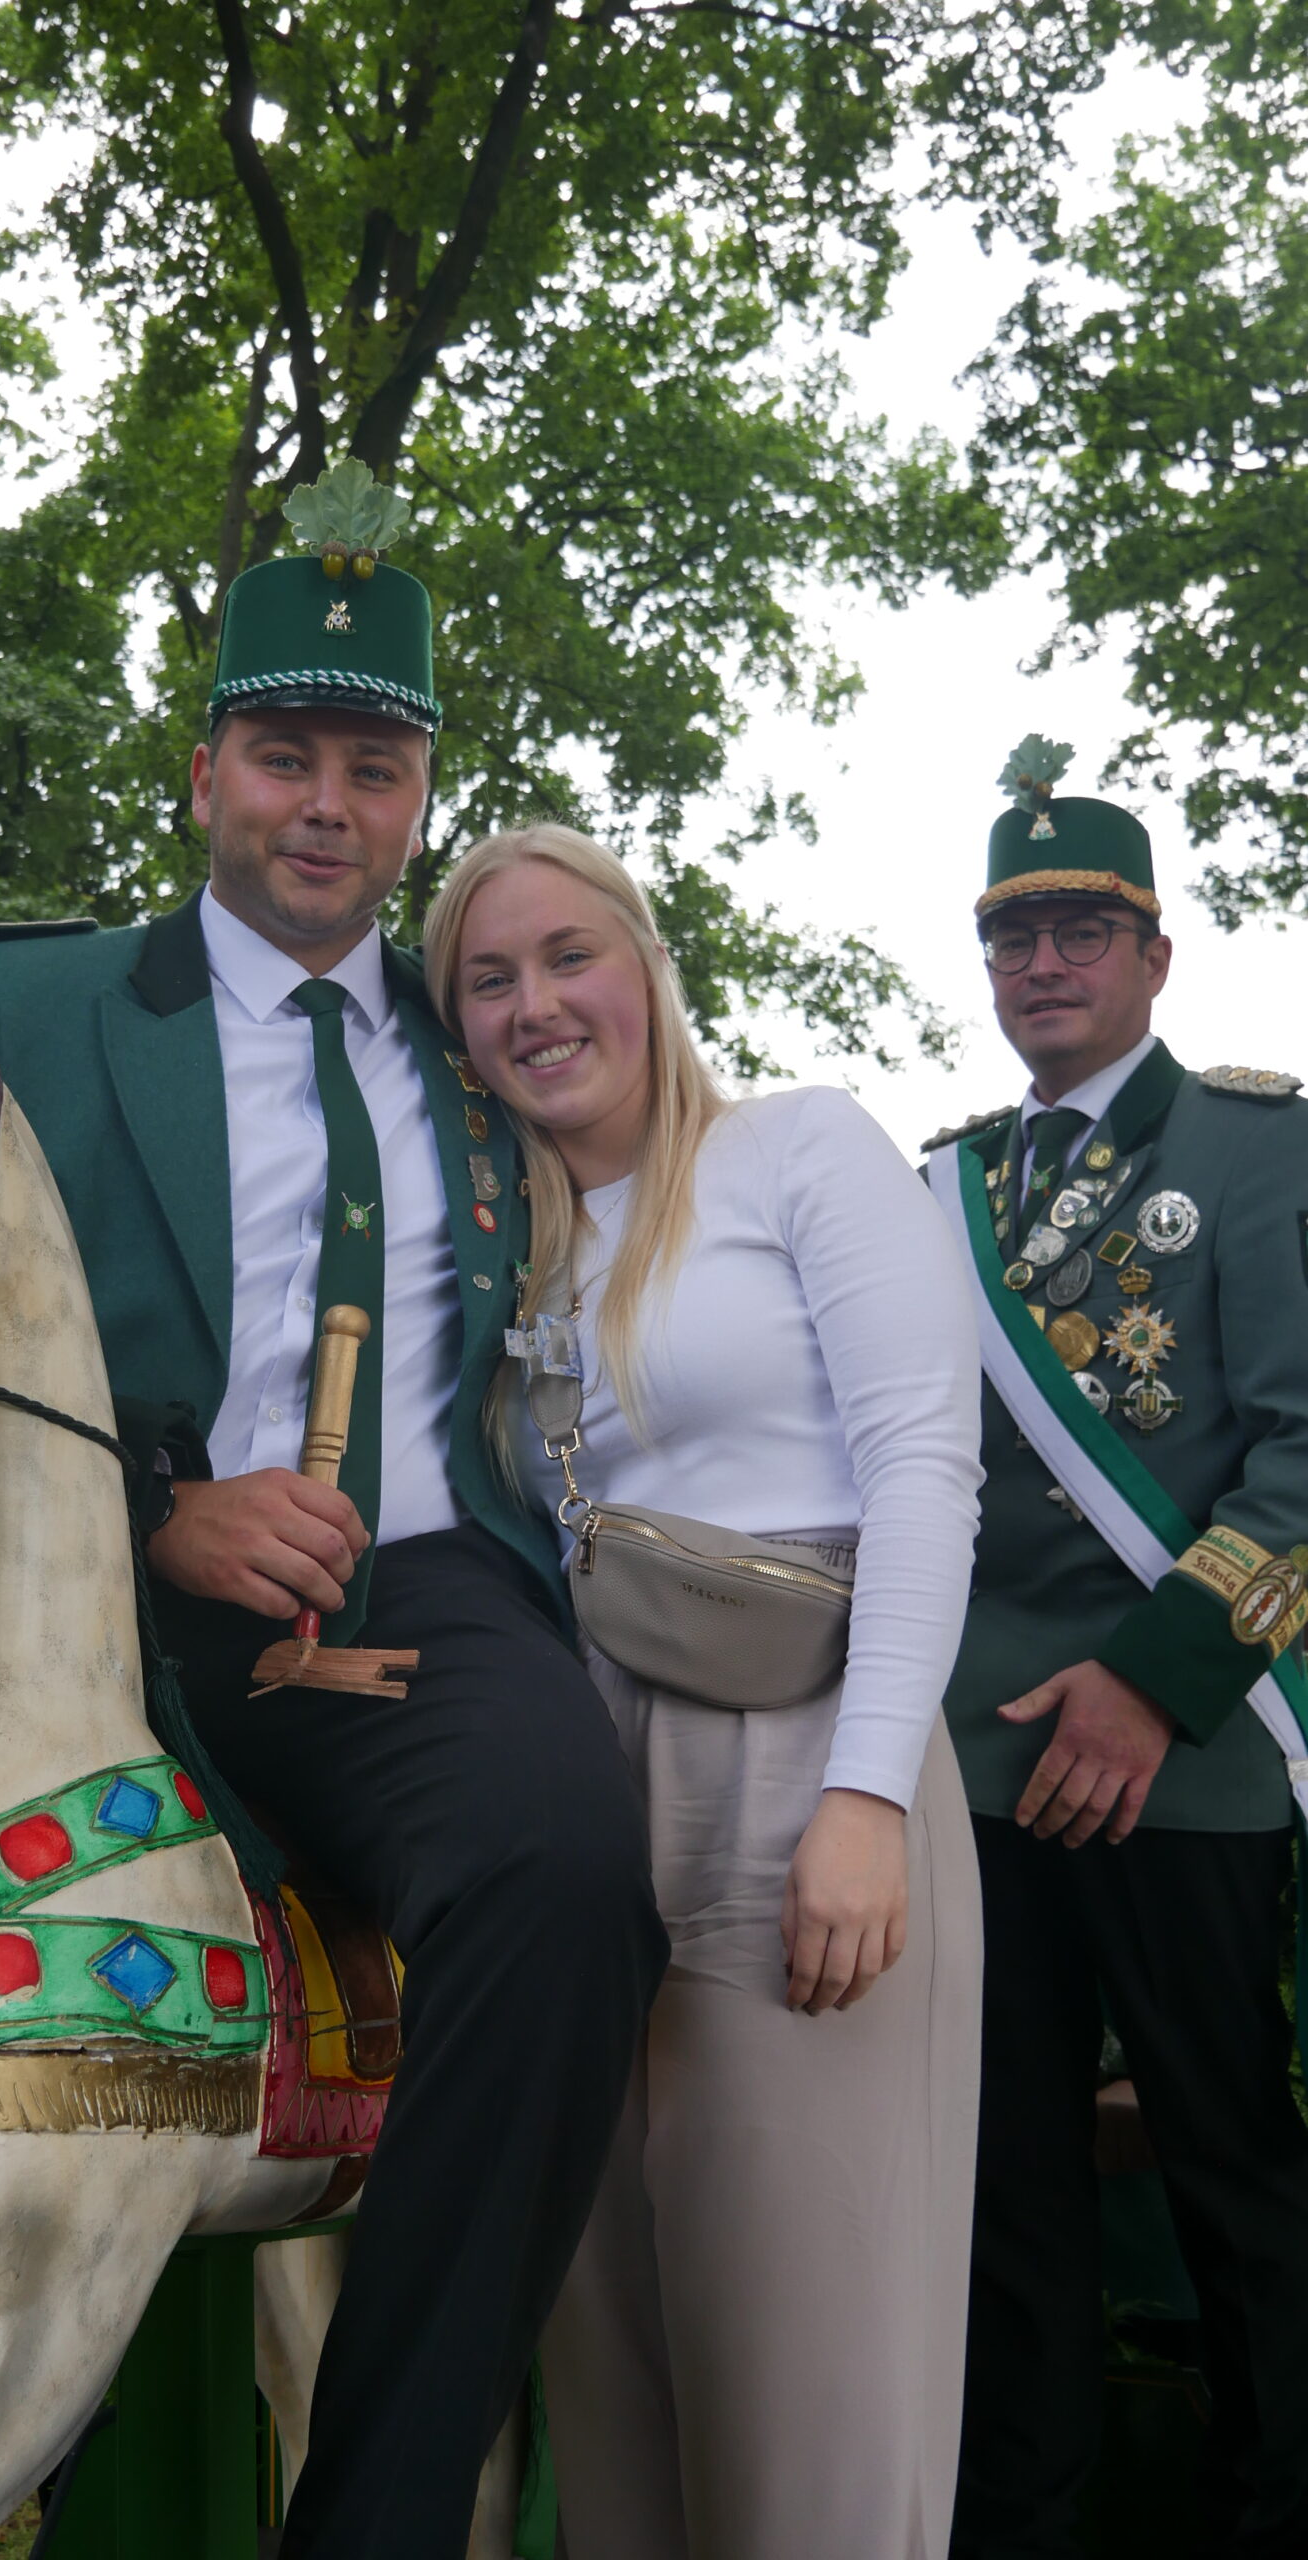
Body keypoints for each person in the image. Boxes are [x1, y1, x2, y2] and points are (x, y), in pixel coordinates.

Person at [0, 462, 666, 2560]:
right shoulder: (23, 1007)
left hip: (406, 1606)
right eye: (284, 756)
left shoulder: (489, 1047)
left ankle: (376, 2517)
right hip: (48, 1595)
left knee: (562, 1883)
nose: (326, 805)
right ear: (205, 775)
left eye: (374, 767)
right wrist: (162, 1508)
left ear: (417, 804)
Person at [423, 824, 985, 2560]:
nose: (534, 1005)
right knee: (614, 2378)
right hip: (581, 1798)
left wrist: (866, 1799)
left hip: (804, 1749)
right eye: (487, 981)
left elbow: (922, 1470)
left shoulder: (799, 1150)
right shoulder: (493, 1260)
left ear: (645, 967)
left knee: (805, 2387)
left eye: (567, 956)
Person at [923, 741, 1308, 2560]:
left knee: (1231, 2169)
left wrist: (1152, 1681)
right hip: (977, 1761)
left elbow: (1300, 1451)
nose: (1043, 965)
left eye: (1082, 931)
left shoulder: (1254, 1150)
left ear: (1153, 956)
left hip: (1187, 1752)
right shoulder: (939, 1188)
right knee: (1000, 2188)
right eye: (1012, 937)